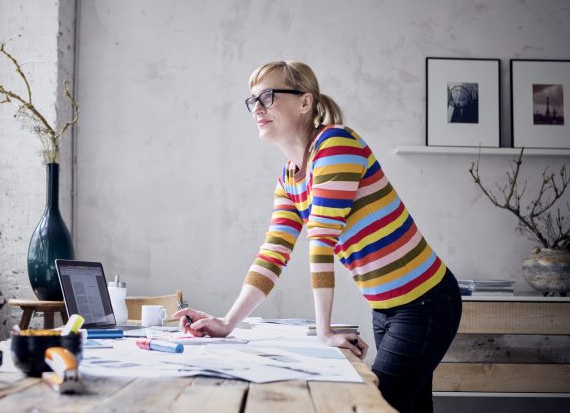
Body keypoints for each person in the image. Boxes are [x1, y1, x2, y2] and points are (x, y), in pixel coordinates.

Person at [173, 61, 462, 413]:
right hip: (386, 308)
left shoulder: (335, 145)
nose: (258, 109)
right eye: (253, 101)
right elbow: (273, 253)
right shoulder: (290, 178)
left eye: (267, 96)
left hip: (426, 304)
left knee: (375, 406)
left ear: (305, 102)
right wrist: (227, 323)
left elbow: (321, 239)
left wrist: (324, 331)